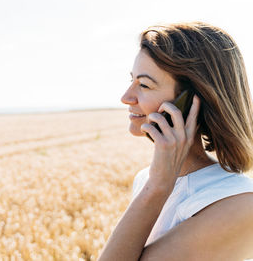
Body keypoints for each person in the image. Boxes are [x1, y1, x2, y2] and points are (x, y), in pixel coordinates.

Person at [97, 22, 253, 261]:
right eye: (132, 80)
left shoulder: (240, 202)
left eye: (144, 85)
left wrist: (157, 189)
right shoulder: (147, 179)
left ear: (191, 102)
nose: (126, 97)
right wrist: (156, 185)